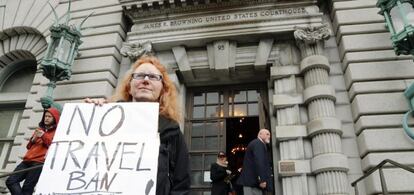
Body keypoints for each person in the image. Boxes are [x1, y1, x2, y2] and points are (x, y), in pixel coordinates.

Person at [84, 55, 191, 195]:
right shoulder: (105, 118)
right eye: (140, 75)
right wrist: (92, 114)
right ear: (129, 87)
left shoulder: (173, 131)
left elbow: (181, 184)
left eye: (153, 77)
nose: (146, 80)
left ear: (162, 90)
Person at [6, 107, 60, 195]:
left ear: (55, 119)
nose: (46, 118)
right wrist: (34, 139)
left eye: (49, 116)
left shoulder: (57, 132)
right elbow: (28, 146)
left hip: (39, 162)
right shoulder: (40, 129)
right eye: (45, 116)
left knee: (28, 187)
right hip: (27, 160)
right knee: (11, 181)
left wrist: (43, 136)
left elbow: (52, 145)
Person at [237, 129, 273, 195]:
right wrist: (262, 180)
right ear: (260, 134)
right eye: (267, 134)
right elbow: (259, 162)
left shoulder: (258, 143)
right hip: (252, 184)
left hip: (252, 183)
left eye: (269, 135)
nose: (269, 136)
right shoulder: (258, 143)